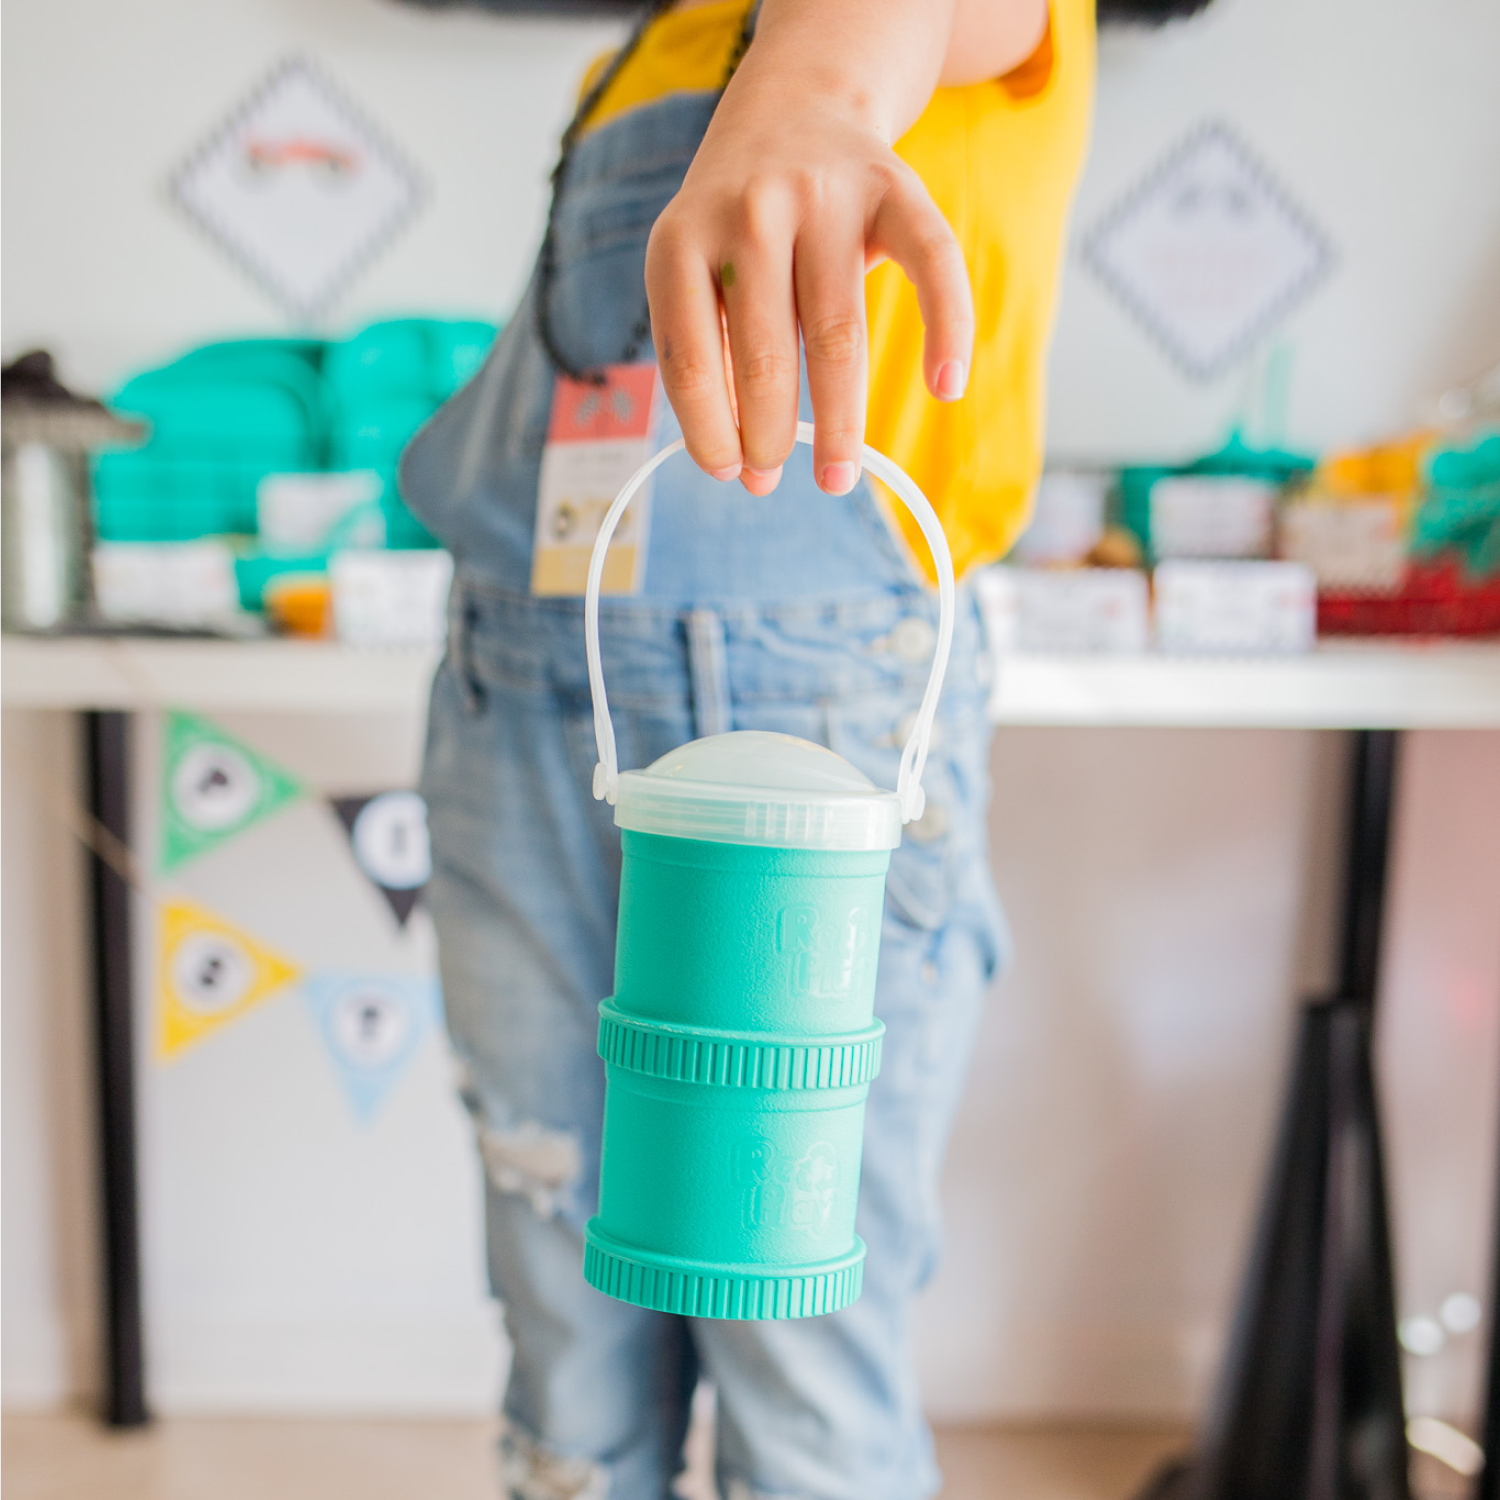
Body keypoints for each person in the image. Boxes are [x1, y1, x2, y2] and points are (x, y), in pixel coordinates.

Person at [399, 1, 1190, 1495]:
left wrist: (815, 93)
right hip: (522, 670)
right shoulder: (640, 56)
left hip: (812, 721)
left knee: (796, 1326)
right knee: (564, 1307)